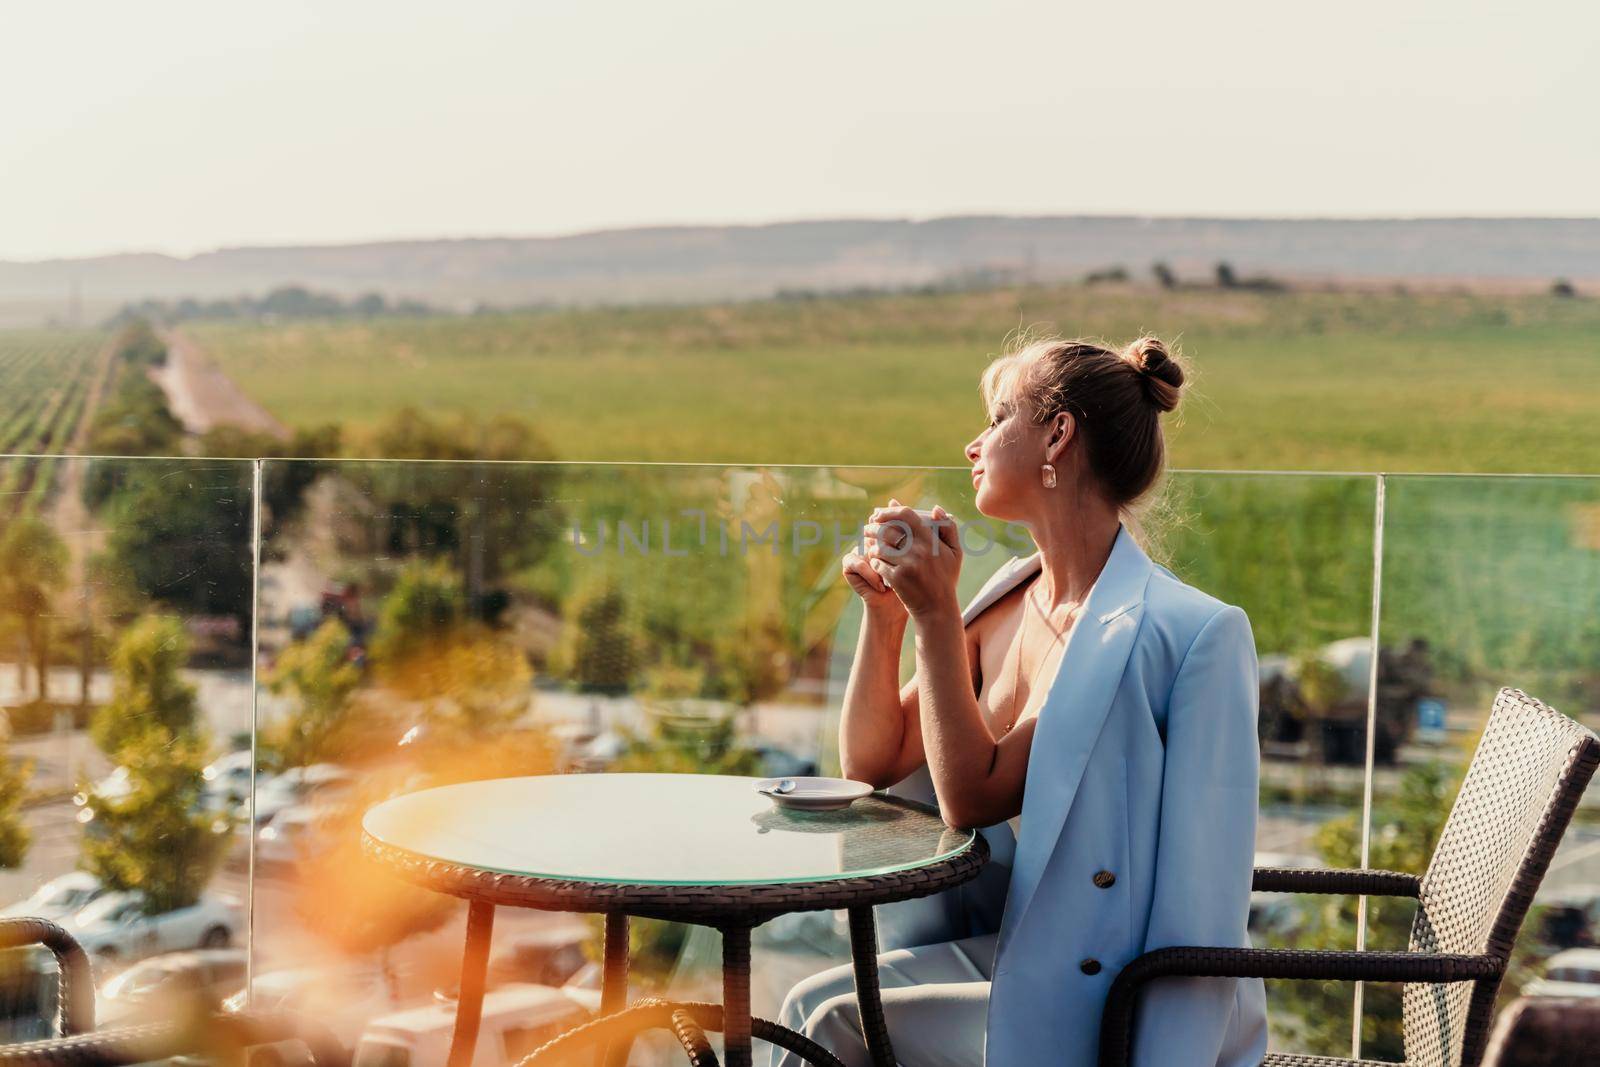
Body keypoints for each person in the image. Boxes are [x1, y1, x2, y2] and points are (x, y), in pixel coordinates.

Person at [772, 335, 1267, 1067]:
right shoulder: (1012, 591)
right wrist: (888, 620)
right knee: (803, 1004)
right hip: (1023, 944)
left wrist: (937, 616)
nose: (974, 442)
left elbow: (971, 794)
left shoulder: (1190, 633)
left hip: (1116, 990)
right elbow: (874, 758)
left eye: (999, 417)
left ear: (1058, 434)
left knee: (838, 1024)